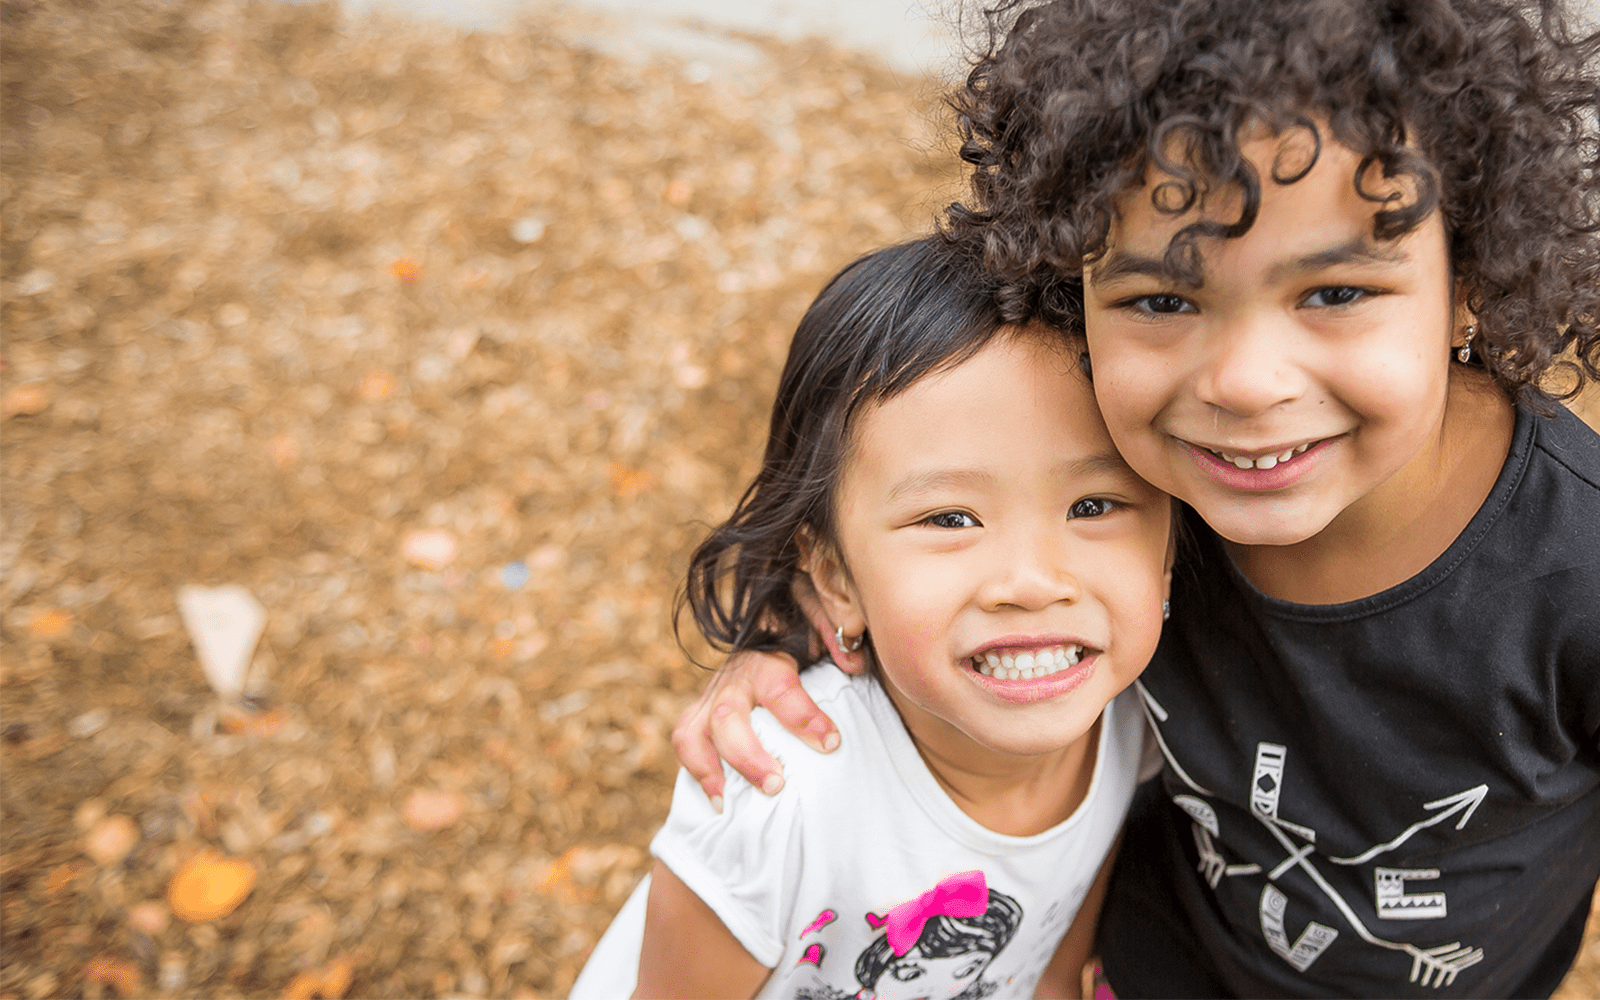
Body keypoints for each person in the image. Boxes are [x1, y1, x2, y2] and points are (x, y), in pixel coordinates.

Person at [670, 1, 1600, 997]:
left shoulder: (1576, 570)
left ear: (1469, 278)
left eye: (1332, 293)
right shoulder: (1131, 474)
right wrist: (790, 651)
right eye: (1162, 300)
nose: (1244, 384)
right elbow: (918, 510)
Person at [570, 235, 1175, 999]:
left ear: (1170, 546)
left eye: (1093, 506)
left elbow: (1051, 972)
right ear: (834, 577)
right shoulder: (777, 802)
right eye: (950, 518)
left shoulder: (1133, 724)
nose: (1029, 582)